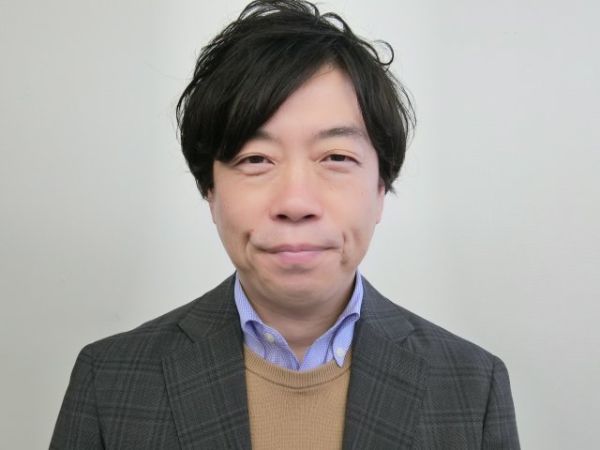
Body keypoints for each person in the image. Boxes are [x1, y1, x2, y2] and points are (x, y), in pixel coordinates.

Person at [51, 1, 520, 448]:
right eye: (256, 159)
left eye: (336, 157)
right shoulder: (110, 380)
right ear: (210, 190)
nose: (296, 203)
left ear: (381, 187)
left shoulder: (472, 387)